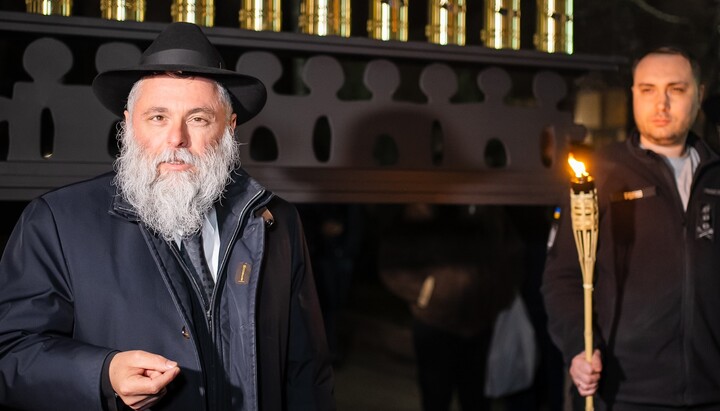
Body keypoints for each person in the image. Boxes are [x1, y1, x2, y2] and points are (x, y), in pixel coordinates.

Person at [0, 22, 335, 411]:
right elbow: (10, 352)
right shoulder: (56, 222)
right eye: (158, 117)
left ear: (228, 129)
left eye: (198, 118)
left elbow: (306, 371)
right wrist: (102, 375)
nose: (176, 139)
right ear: (128, 124)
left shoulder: (276, 222)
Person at [542, 46, 720, 410]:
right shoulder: (600, 175)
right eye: (648, 89)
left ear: (699, 94)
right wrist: (579, 347)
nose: (661, 104)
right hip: (622, 394)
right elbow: (562, 279)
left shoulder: (717, 176)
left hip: (711, 393)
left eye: (676, 89)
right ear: (633, 94)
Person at [379, 203, 523, 411]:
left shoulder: (487, 208)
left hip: (479, 321)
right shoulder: (422, 208)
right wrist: (423, 293)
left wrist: (499, 295)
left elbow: (512, 252)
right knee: (436, 396)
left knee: (477, 398)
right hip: (435, 322)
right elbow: (391, 260)